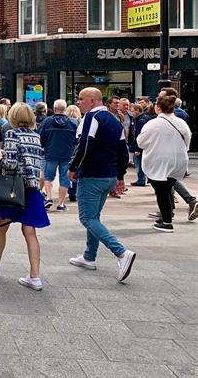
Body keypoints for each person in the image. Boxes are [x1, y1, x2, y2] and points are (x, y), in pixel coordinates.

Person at [0, 103, 48, 291]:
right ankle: (35, 276)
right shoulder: (36, 135)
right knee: (30, 232)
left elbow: (10, 164)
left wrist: (0, 154)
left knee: (1, 227)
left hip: (13, 188)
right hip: (32, 189)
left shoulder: (11, 134)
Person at [67, 87, 135, 282]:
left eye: (81, 99)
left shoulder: (91, 117)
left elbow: (84, 145)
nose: (78, 102)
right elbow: (123, 150)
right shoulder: (115, 121)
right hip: (110, 175)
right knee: (94, 217)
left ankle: (121, 253)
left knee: (87, 218)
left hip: (92, 175)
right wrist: (120, 176)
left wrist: (73, 167)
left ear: (93, 101)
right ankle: (89, 256)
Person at [138, 94, 192, 232]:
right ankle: (166, 217)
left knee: (161, 192)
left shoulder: (153, 123)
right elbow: (187, 142)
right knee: (167, 189)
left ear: (158, 107)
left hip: (158, 161)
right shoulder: (181, 123)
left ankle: (167, 221)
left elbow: (141, 142)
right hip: (178, 160)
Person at [38, 99, 78, 212]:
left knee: (48, 177)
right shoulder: (73, 123)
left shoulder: (47, 122)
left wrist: (45, 146)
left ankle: (49, 197)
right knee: (65, 179)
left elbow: (41, 137)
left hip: (50, 153)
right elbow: (77, 139)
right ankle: (61, 204)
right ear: (65, 109)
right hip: (67, 155)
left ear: (54, 109)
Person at [129, 104, 149, 187]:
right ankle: (143, 179)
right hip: (142, 146)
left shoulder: (141, 121)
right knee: (141, 164)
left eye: (133, 111)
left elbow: (139, 135)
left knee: (139, 164)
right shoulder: (143, 119)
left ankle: (141, 180)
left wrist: (138, 148)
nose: (131, 113)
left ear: (137, 111)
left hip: (140, 147)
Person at [65, 104, 82, 202]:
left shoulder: (65, 122)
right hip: (77, 148)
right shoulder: (81, 122)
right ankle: (75, 192)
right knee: (76, 171)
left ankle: (71, 191)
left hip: (67, 149)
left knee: (68, 171)